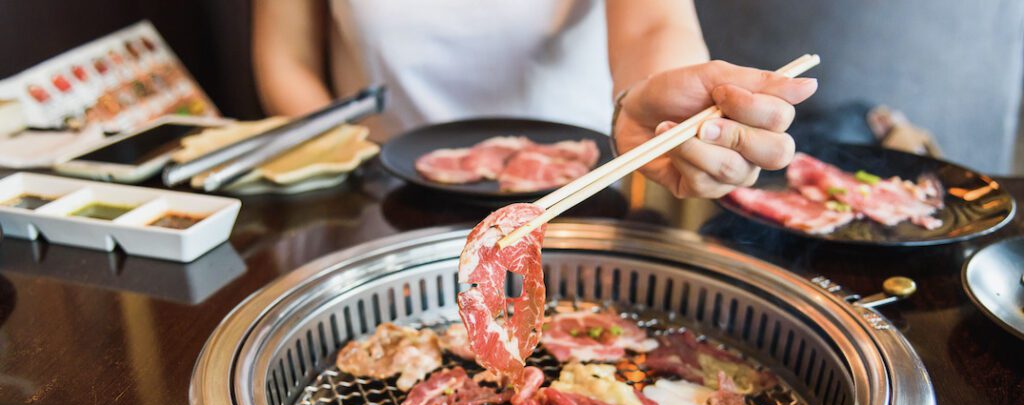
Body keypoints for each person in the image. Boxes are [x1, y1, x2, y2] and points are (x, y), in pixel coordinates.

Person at [251, 0, 817, 198]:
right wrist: (345, 169)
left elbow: (652, 26)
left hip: (578, 193)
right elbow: (286, 56)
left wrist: (661, 103)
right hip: (384, 194)